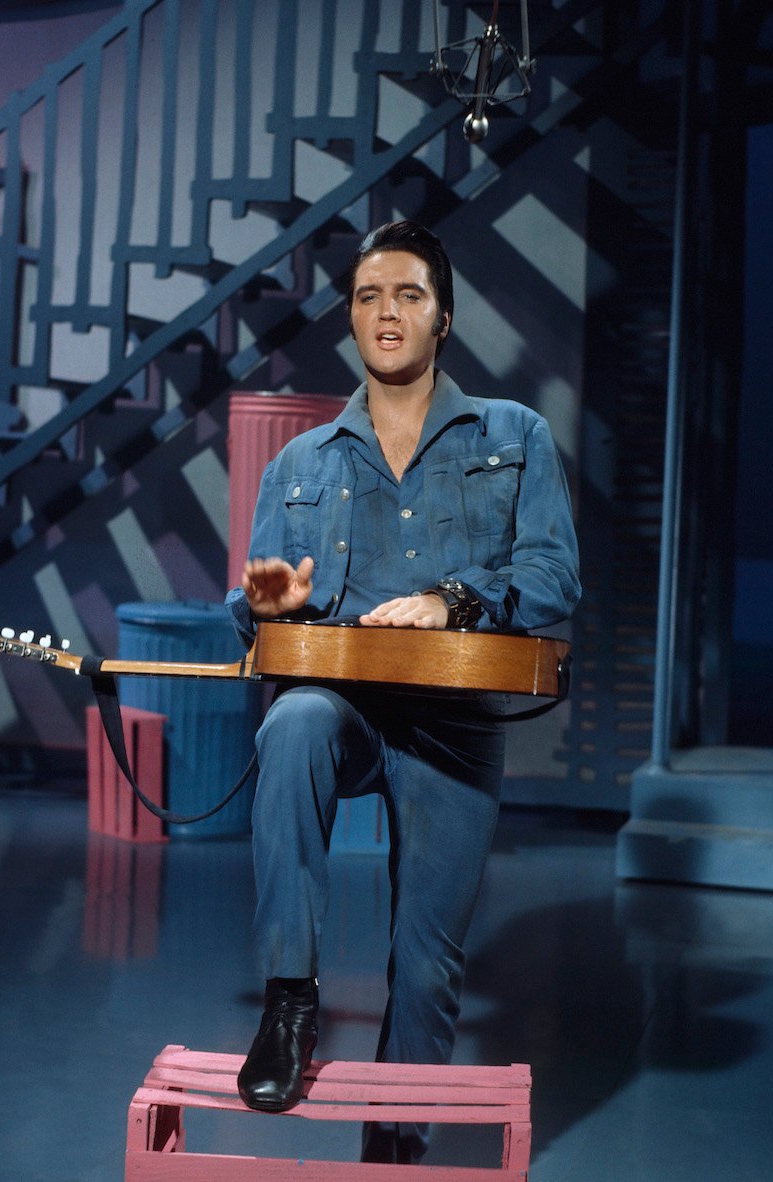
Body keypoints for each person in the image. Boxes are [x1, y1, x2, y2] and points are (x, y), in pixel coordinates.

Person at [223, 219, 581, 1164]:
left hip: (454, 726)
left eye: (409, 295)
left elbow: (554, 576)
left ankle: (394, 1149)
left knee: (425, 968)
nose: (388, 312)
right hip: (344, 711)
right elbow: (251, 603)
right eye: (370, 296)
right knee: (294, 721)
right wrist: (265, 604)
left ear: (444, 317)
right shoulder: (302, 463)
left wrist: (454, 598)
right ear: (351, 316)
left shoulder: (516, 436)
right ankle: (291, 1004)